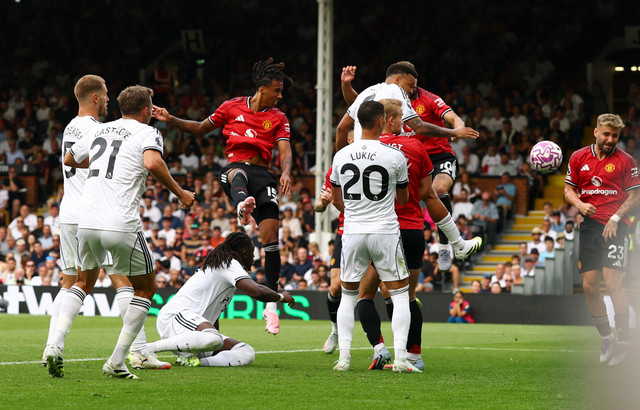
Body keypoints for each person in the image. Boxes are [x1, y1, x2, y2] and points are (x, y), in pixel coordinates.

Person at [49, 85, 195, 380]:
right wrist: (179, 193)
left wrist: (104, 165)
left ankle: (54, 345)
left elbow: (69, 159)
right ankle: (119, 359)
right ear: (146, 110)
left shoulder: (101, 129)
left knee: (81, 282)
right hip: (120, 224)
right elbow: (152, 162)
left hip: (86, 223)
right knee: (146, 287)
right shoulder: (148, 133)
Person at [153, 58, 292, 335]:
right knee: (236, 175)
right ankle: (242, 205)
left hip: (264, 175)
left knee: (271, 240)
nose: (280, 96)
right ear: (263, 89)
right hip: (235, 169)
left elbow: (285, 150)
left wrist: (286, 171)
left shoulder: (278, 117)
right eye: (277, 90)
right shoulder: (231, 106)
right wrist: (171, 119)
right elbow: (201, 127)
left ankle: (271, 307)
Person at [348, 99, 481, 371]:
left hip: (378, 228)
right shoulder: (415, 147)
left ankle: (380, 350)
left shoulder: (361, 151)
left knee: (366, 294)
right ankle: (412, 356)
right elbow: (425, 193)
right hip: (411, 226)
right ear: (394, 120)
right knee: (405, 296)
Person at [339, 62, 478, 272]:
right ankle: (457, 244)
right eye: (410, 84)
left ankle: (446, 246)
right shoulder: (395, 91)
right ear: (397, 80)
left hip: (360, 163)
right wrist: (454, 133)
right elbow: (419, 127)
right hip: (394, 152)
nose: (412, 88)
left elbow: (343, 125)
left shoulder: (369, 92)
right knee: (427, 194)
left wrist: (342, 158)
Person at [329, 100, 418, 373]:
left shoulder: (341, 155)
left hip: (353, 232)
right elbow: (403, 199)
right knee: (401, 295)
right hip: (385, 232)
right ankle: (401, 359)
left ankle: (344, 358)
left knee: (348, 295)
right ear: (382, 121)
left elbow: (336, 199)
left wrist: (356, 211)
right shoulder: (394, 156)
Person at [143, 232, 294, 367]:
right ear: (245, 252)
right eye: (252, 253)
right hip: (175, 317)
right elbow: (256, 291)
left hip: (194, 329)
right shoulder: (228, 263)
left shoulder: (226, 267)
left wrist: (212, 342)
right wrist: (281, 297)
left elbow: (214, 316)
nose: (254, 258)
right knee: (214, 338)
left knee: (246, 352)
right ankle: (145, 349)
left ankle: (195, 362)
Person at [564, 113, 640, 365]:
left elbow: (634, 196)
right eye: (606, 134)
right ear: (596, 132)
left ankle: (626, 341)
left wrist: (616, 218)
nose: (610, 140)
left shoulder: (626, 161)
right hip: (590, 227)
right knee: (589, 287)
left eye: (615, 136)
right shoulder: (578, 157)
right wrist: (580, 204)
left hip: (617, 227)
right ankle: (607, 337)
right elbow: (568, 190)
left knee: (613, 284)